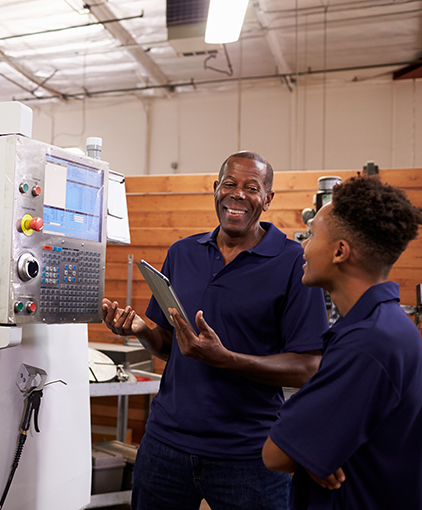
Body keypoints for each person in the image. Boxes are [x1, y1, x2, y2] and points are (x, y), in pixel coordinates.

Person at [102, 151, 328, 510]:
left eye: (251, 187)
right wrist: (143, 330)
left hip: (249, 455)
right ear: (215, 190)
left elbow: (307, 368)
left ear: (268, 199)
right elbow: (171, 346)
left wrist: (227, 360)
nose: (238, 194)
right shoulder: (182, 253)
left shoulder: (293, 264)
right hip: (165, 446)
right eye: (230, 184)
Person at [259, 175, 422, 509]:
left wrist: (309, 448)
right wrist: (317, 448)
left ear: (339, 251)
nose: (303, 247)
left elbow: (275, 454)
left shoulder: (367, 344)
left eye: (313, 235)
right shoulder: (390, 327)